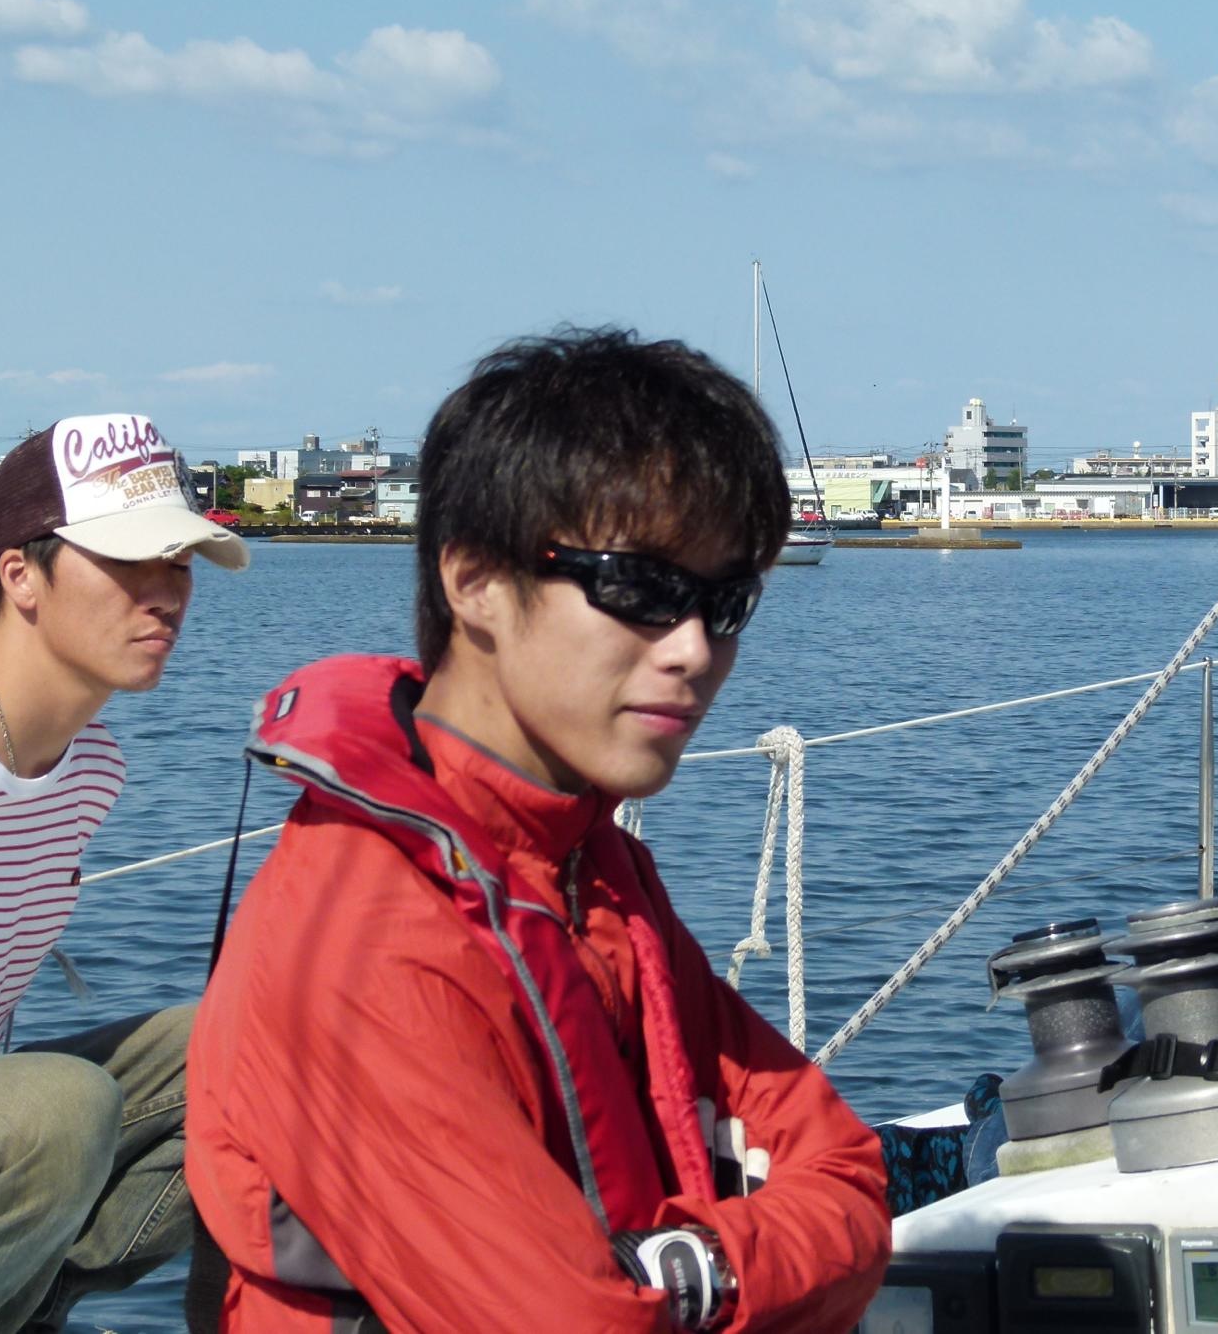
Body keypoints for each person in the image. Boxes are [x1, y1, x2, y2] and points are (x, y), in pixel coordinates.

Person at [186, 331, 891, 1332]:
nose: (693, 650)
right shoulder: (366, 945)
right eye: (639, 588)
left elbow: (850, 1176)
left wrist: (678, 1270)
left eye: (725, 602)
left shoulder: (588, 866)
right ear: (474, 579)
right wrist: (729, 1268)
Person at [0, 415, 248, 1332]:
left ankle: (28, 1297)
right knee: (59, 1107)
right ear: (20, 576)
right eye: (128, 560)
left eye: (179, 561)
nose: (166, 593)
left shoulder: (92, 770)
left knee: (265, 1040)